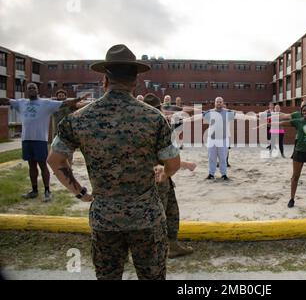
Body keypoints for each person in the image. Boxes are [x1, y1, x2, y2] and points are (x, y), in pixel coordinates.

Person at [47, 44, 180, 280]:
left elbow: (55, 161)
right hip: (146, 218)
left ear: (104, 80)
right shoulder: (154, 117)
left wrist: (80, 193)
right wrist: (162, 174)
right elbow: (173, 164)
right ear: (135, 81)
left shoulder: (78, 119)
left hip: (104, 218)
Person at [0, 83, 86, 202]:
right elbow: (6, 100)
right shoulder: (21, 103)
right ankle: (34, 190)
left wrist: (79, 99)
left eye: (33, 88)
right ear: (26, 91)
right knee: (31, 165)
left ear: (37, 90)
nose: (31, 90)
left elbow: (65, 103)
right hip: (26, 139)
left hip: (40, 140)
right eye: (29, 88)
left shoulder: (46, 103)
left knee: (42, 165)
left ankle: (47, 191)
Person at [144, 93, 196, 258]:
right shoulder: (159, 125)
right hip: (159, 178)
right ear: (159, 108)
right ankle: (161, 248)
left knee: (163, 212)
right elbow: (169, 158)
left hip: (148, 178)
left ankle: (166, 246)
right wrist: (186, 165)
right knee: (165, 213)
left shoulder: (137, 125)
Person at [184, 97, 256, 181]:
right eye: (217, 102)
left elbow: (241, 116)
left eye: (220, 102)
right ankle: (211, 174)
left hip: (223, 139)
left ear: (223, 103)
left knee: (223, 158)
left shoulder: (228, 113)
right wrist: (185, 120)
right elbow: (198, 117)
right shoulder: (210, 112)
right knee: (212, 157)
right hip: (212, 139)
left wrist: (253, 118)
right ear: (215, 103)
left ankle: (224, 174)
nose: (218, 103)